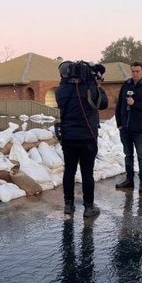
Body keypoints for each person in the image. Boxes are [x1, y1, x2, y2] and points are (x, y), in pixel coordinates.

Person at [55, 61, 108, 217]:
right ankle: (89, 207)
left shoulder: (60, 90)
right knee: (87, 173)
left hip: (68, 138)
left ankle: (68, 205)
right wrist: (96, 84)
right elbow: (103, 104)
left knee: (69, 171)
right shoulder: (91, 88)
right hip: (87, 138)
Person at [115, 61, 142, 194]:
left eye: (137, 71)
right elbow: (119, 105)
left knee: (141, 156)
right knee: (128, 155)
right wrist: (119, 124)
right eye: (133, 71)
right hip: (125, 128)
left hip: (139, 129)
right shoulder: (126, 85)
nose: (135, 73)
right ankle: (129, 180)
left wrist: (135, 103)